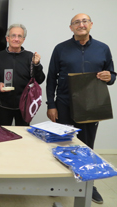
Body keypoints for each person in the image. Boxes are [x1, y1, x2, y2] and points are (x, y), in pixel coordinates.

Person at [46, 13, 115, 204]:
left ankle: (88, 186)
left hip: (92, 105)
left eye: (84, 21)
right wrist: (51, 105)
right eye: (76, 22)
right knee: (63, 145)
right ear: (71, 28)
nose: (81, 24)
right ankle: (58, 183)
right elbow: (51, 78)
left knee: (87, 147)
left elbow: (112, 74)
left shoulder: (103, 48)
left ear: (91, 25)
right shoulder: (61, 49)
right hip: (65, 104)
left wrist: (110, 77)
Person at [0, 24, 45, 126]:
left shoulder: (31, 57)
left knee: (23, 137)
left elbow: (40, 79)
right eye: (13, 36)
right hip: (2, 106)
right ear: (7, 38)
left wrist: (37, 65)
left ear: (23, 39)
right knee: (2, 137)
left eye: (19, 36)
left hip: (25, 106)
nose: (16, 39)